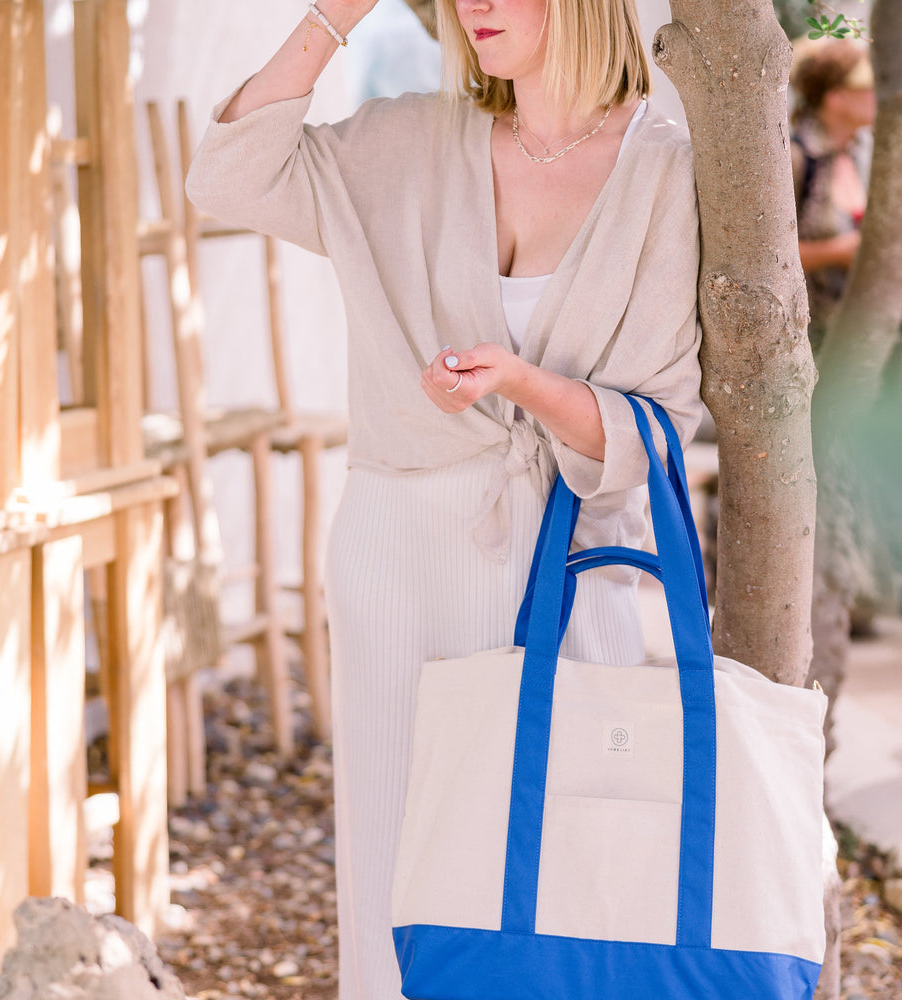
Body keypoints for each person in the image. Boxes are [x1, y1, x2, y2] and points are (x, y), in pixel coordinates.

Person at [185, 1, 702, 997]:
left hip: (569, 545)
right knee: (394, 860)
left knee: (566, 865)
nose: (477, 5)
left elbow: (653, 433)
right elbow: (227, 174)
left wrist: (517, 382)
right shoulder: (403, 140)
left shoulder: (664, 169)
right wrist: (333, 16)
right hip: (397, 546)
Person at [789, 36, 875, 350]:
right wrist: (838, 252)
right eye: (867, 85)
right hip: (814, 340)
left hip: (864, 336)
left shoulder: (865, 154)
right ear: (836, 97)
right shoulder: (797, 159)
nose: (876, 93)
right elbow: (764, 257)